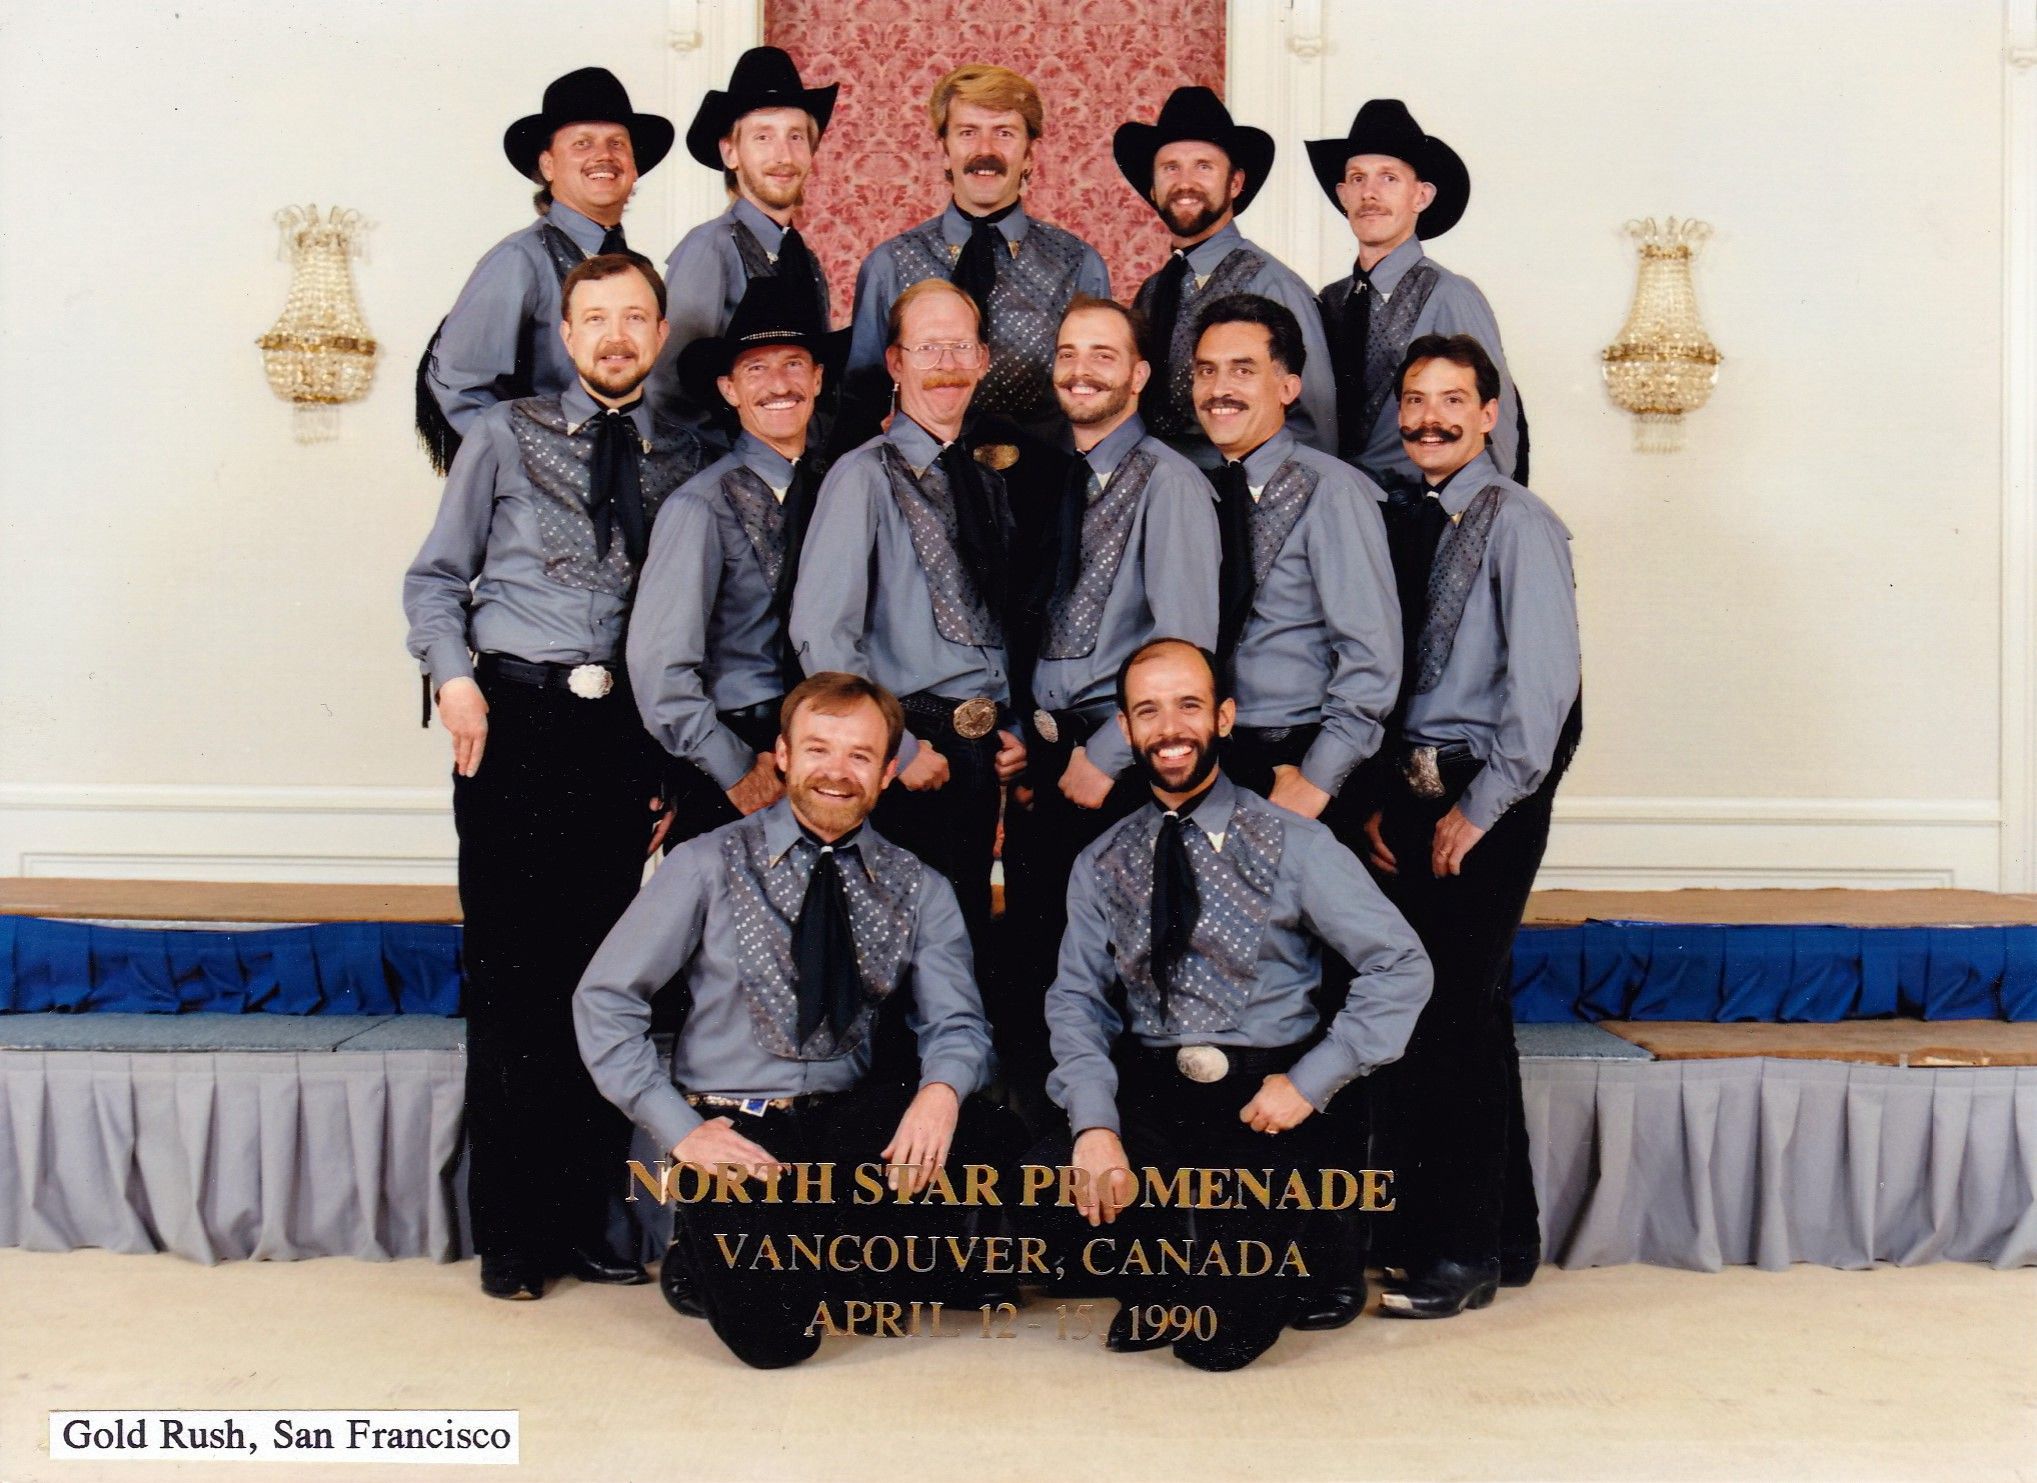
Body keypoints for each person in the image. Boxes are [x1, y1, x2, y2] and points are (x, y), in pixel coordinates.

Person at [403, 252, 705, 1300]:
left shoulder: (685, 457)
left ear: (658, 333)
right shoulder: (501, 434)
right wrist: (454, 682)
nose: (616, 336)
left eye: (635, 317)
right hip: (516, 721)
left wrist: (665, 757)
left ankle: (585, 1223)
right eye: (595, 318)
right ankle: (512, 1235)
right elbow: (435, 579)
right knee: (512, 981)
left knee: (597, 980)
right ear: (567, 336)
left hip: (620, 733)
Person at [574, 673, 1005, 1369]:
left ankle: (824, 1253)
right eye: (818, 749)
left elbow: (958, 1023)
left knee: (991, 1137)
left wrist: (939, 1093)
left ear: (887, 772)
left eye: (860, 755)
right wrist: (682, 1131)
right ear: (782, 755)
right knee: (775, 1342)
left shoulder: (918, 885)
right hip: (733, 1126)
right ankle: (723, 1249)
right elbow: (605, 999)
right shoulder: (705, 862)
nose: (837, 771)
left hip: (843, 1123)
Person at [1031, 638, 1431, 1370]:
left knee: (1216, 1347)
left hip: (1264, 1103)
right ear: (1125, 729)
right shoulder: (1102, 860)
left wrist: (1309, 1082)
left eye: (1188, 706)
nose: (1169, 728)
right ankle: (1170, 1277)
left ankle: (1264, 1272)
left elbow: (1400, 963)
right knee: (1041, 1181)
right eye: (1148, 711)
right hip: (1156, 1096)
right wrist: (1094, 1125)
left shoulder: (1296, 843)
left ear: (1223, 717)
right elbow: (1077, 999)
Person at [1359, 333, 1581, 1318]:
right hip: (1415, 792)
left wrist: (1478, 811)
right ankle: (1508, 1235)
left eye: (1452, 400)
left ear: (1490, 416)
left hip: (1487, 795)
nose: (1429, 418)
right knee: (1472, 1014)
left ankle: (1454, 1254)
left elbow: (1544, 695)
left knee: (1445, 1017)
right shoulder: (1416, 517)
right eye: (1415, 399)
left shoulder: (1520, 523)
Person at [999, 294, 1220, 1120]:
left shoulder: (1171, 483)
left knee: (1121, 975)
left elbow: (1184, 648)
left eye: (1102, 354)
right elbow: (1025, 620)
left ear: (1138, 374)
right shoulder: (1046, 477)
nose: (1079, 370)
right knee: (1040, 968)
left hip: (1120, 765)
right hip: (1046, 762)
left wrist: (1107, 753)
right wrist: (1020, 733)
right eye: (1067, 353)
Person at [789, 279, 1027, 968]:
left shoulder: (988, 484)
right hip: (907, 751)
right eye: (928, 348)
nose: (946, 365)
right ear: (895, 362)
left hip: (979, 753)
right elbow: (822, 634)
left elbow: (999, 623)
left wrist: (1011, 724)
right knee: (889, 952)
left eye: (960, 347)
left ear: (982, 359)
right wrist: (894, 747)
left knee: (962, 946)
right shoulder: (861, 477)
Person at [630, 275, 847, 852]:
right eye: (756, 369)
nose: (779, 384)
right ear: (728, 389)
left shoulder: (841, 494)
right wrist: (733, 769)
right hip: (735, 751)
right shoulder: (700, 507)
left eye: (794, 364)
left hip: (827, 749)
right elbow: (659, 669)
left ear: (817, 378)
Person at [1188, 294, 1398, 837]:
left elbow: (1372, 656)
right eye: (1206, 370)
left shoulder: (1334, 492)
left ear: (1288, 387)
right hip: (1213, 758)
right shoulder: (1194, 493)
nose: (1219, 388)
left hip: (1300, 757)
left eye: (1243, 370)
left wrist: (1317, 779)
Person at [416, 67, 673, 473]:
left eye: (617, 143)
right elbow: (457, 385)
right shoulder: (519, 259)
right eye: (582, 143)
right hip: (547, 492)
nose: (604, 155)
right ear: (548, 165)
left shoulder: (638, 270)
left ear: (634, 165)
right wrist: (531, 465)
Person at [1113, 87, 1335, 466]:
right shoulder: (1152, 291)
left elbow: (1315, 430)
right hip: (1157, 483)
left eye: (1203, 166)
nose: (1185, 182)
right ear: (1153, 188)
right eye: (1170, 168)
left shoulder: (1272, 285)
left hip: (1237, 487)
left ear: (1234, 183)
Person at [1308, 99, 1522, 488]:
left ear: (1420, 196)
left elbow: (1497, 431)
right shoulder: (1332, 301)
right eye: (1357, 178)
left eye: (1388, 178)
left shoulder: (1449, 294)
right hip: (1337, 499)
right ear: (1342, 195)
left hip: (1419, 503)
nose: (1369, 193)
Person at [646, 46, 838, 433]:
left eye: (796, 137)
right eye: (763, 137)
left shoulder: (804, 258)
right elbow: (670, 388)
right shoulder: (710, 247)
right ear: (731, 152)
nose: (783, 155)